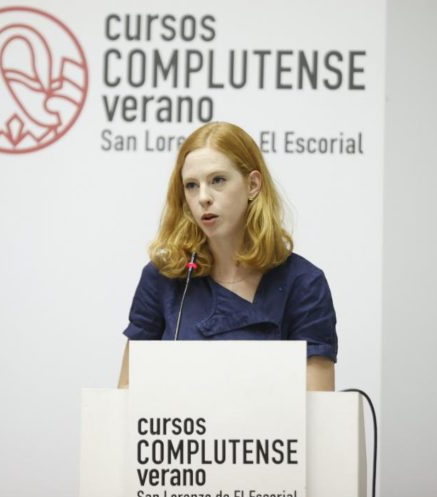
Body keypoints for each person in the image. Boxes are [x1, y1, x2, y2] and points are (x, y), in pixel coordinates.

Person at [118, 121, 337, 391]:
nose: (203, 197)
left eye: (217, 180)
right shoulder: (163, 276)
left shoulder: (304, 284)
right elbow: (125, 394)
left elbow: (318, 406)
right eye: (191, 185)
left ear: (253, 185)